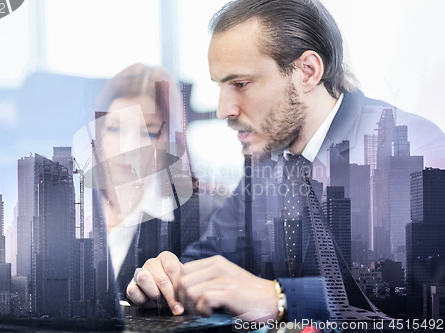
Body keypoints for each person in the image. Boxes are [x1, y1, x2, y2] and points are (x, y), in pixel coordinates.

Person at [126, 0, 445, 323]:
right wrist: (167, 276)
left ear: (307, 72)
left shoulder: (413, 150)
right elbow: (212, 257)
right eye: (220, 86)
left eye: (240, 84)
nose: (223, 110)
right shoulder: (265, 164)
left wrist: (278, 296)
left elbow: (423, 295)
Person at [92, 63, 193, 294]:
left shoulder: (194, 218)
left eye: (148, 133)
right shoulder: (66, 206)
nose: (128, 149)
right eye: (115, 129)